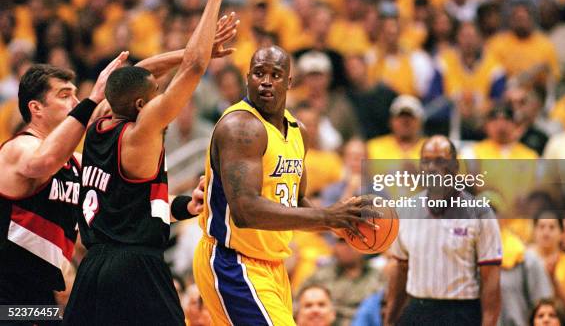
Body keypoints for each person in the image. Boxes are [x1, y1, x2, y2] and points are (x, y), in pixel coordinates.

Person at [62, 0, 234, 326]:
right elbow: (194, 67)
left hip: (93, 268)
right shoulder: (139, 135)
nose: (161, 98)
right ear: (142, 107)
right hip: (135, 266)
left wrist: (180, 207)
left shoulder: (98, 121)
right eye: (155, 96)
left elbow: (139, 73)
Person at [193, 45, 377, 326]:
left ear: (290, 81)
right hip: (233, 262)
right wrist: (327, 215)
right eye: (258, 73)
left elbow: (295, 201)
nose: (266, 81)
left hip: (273, 266)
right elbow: (245, 211)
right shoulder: (241, 127)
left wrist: (335, 223)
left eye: (275, 75)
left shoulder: (297, 131)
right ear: (247, 78)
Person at [0, 54, 125, 320]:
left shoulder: (76, 165)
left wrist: (185, 206)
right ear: (36, 108)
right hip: (5, 294)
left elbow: (127, 201)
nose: (76, 102)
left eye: (77, 95)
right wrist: (93, 99)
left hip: (39, 297)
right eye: (65, 94)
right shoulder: (18, 148)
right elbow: (44, 162)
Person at [384, 135, 502, 326]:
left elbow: (491, 279)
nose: (432, 168)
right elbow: (400, 270)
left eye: (440, 161)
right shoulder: (404, 210)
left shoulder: (480, 213)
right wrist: (390, 319)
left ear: (455, 166)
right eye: (426, 161)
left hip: (460, 312)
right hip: (417, 309)